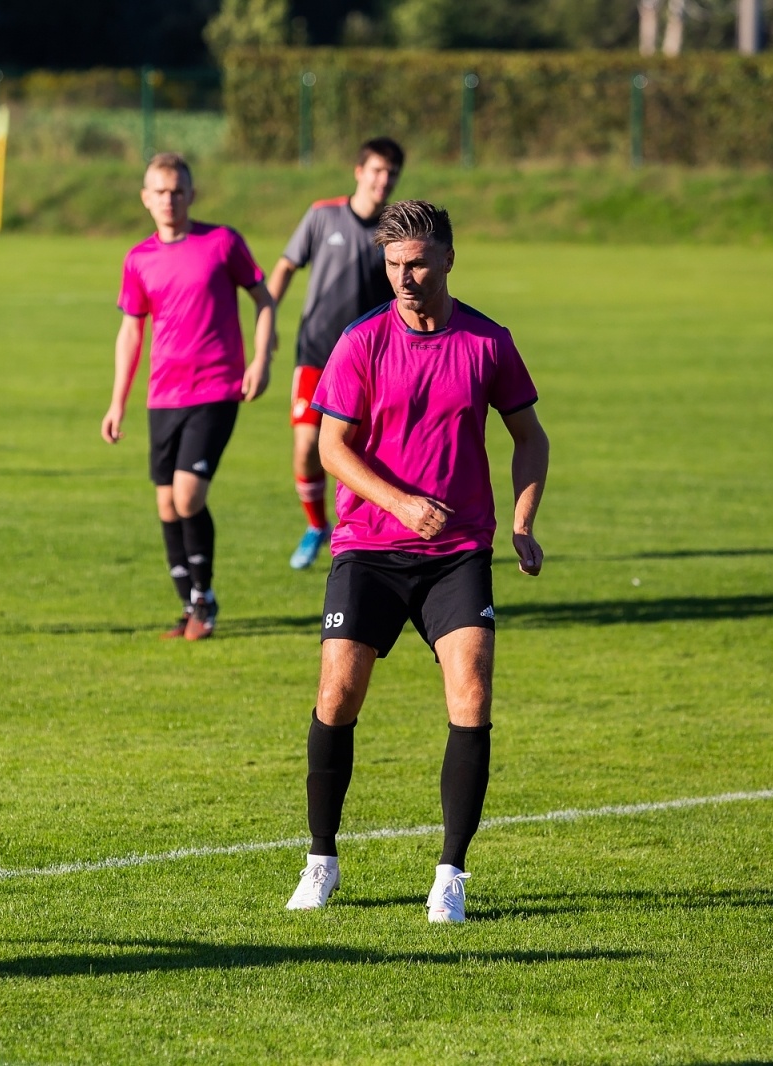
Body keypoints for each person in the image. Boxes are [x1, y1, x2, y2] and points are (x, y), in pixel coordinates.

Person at [283, 200, 550, 923]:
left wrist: (522, 522)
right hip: (369, 546)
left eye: (419, 263)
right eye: (394, 264)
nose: (405, 277)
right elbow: (332, 447)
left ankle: (450, 875)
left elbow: (530, 437)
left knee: (472, 695)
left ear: (449, 260)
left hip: (457, 552)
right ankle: (321, 860)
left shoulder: (488, 343)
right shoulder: (361, 340)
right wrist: (400, 504)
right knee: (337, 693)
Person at [101, 153, 276, 641]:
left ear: (192, 195)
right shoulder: (138, 259)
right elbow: (131, 332)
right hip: (164, 395)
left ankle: (205, 600)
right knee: (165, 505)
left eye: (177, 191)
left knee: (187, 495)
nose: (169, 200)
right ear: (145, 198)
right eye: (160, 191)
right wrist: (117, 402)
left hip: (216, 388)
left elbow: (264, 300)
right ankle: (187, 607)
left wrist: (261, 359)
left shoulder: (223, 242)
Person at [268, 137, 405, 571]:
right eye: (377, 170)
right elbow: (286, 265)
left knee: (368, 452)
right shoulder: (322, 214)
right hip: (316, 353)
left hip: (371, 359)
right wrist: (267, 320)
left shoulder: (395, 230)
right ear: (359, 171)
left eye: (392, 173)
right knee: (307, 446)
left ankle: (373, 533)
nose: (384, 180)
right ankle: (316, 526)